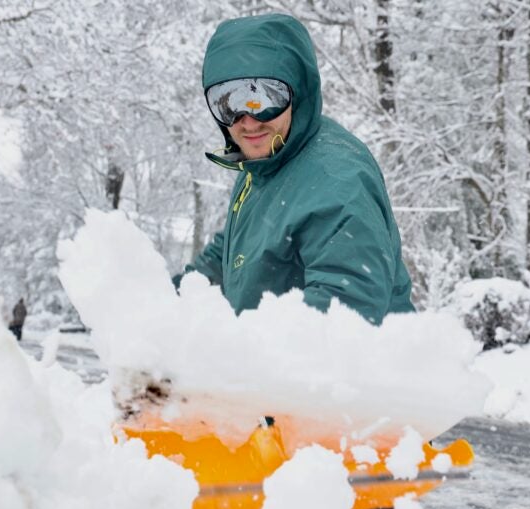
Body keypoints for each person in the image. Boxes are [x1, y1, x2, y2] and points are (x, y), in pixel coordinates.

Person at [177, 13, 415, 325]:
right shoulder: (269, 160)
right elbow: (236, 249)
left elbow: (346, 310)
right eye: (229, 102)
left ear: (298, 91)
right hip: (276, 367)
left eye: (264, 97)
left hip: (346, 371)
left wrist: (239, 356)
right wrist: (168, 299)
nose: (248, 120)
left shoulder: (337, 179)